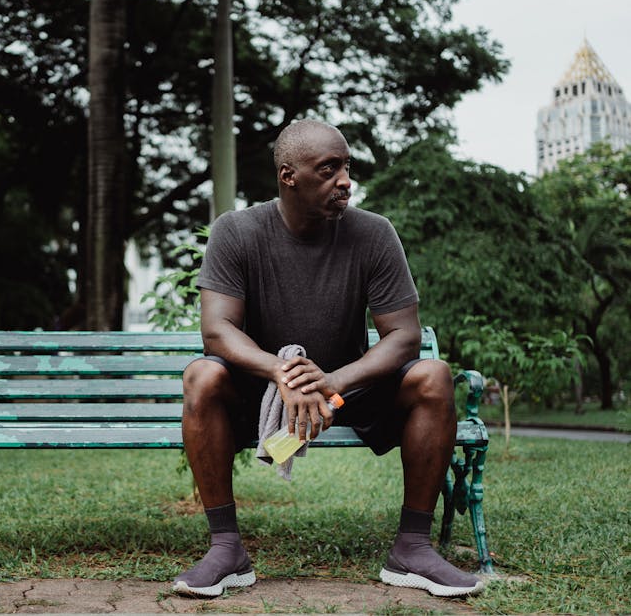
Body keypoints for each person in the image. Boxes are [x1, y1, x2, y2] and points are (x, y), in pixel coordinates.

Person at [172, 120, 484, 599]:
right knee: (201, 375)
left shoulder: (374, 234)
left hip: (348, 390)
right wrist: (279, 370)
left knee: (433, 375)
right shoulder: (236, 231)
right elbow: (217, 329)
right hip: (259, 392)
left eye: (346, 167)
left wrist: (331, 381)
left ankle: (412, 549)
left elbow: (403, 335)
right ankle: (226, 549)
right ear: (288, 175)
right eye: (328, 169)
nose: (345, 180)